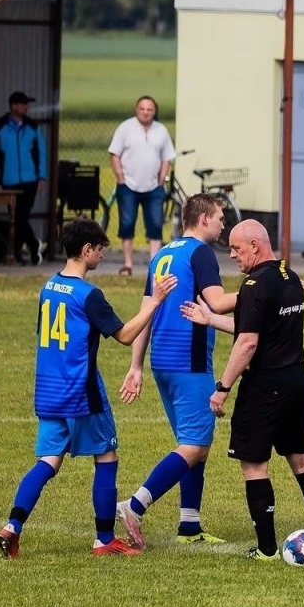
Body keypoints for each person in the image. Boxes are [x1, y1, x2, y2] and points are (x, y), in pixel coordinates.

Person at [0, 219, 175, 559]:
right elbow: (125, 336)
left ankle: (13, 525)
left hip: (49, 392)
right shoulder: (88, 295)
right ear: (87, 249)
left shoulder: (49, 286)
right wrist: (154, 302)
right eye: (100, 248)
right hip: (81, 392)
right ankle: (104, 540)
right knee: (106, 457)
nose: (103, 254)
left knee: (48, 461)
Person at [183, 221, 304, 562]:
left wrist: (222, 388)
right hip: (296, 379)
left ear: (254, 245)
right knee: (302, 459)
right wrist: (211, 319)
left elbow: (248, 342)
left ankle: (267, 549)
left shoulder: (253, 285)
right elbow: (257, 327)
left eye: (236, 248)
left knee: (254, 466)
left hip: (265, 385)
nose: (232, 255)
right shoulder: (290, 277)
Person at [116, 193, 233, 548]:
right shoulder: (201, 253)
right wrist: (268, 289)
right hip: (189, 362)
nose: (223, 224)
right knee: (194, 445)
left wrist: (136, 366)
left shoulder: (162, 254)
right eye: (220, 218)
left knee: (195, 444)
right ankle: (135, 505)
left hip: (162, 362)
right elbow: (217, 303)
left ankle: (189, 526)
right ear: (203, 219)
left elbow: (146, 312)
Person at [107, 95, 175, 276]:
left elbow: (167, 157)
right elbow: (114, 154)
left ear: (154, 111)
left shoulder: (161, 130)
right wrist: (120, 178)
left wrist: (161, 179)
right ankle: (127, 264)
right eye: (142, 109)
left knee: (155, 225)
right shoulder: (125, 128)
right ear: (137, 110)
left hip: (154, 187)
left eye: (149, 109)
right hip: (128, 186)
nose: (145, 112)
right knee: (127, 224)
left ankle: (154, 264)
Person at [0, 90, 49, 265]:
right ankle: (31, 247)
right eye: (23, 104)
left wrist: (42, 176)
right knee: (18, 218)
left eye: (27, 104)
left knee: (20, 217)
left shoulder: (33, 127)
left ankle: (21, 252)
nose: (26, 107)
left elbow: (41, 152)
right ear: (14, 106)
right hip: (10, 181)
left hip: (30, 180)